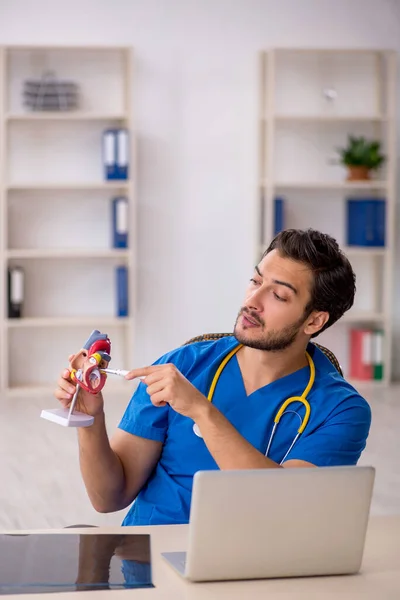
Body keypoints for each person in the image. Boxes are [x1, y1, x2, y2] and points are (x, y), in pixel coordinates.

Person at [55, 228, 371, 526]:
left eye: (278, 295)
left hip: (251, 569)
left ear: (314, 321)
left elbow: (279, 505)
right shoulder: (183, 366)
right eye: (255, 281)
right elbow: (108, 497)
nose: (252, 301)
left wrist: (201, 411)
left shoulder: (341, 410)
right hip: (147, 556)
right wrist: (90, 420)